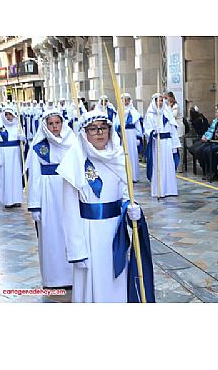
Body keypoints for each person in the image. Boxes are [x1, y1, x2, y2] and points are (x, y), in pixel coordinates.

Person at [56, 109, 154, 303]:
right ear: (85, 133)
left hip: (115, 233)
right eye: (93, 129)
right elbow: (69, 211)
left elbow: (126, 195)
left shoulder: (119, 158)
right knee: (94, 282)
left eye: (103, 128)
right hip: (89, 234)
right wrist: (77, 250)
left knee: (115, 280)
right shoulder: (75, 163)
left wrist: (132, 210)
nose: (99, 133)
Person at [26, 109, 76, 288]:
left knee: (70, 233)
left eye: (57, 123)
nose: (55, 127)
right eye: (51, 123)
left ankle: (73, 276)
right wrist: (35, 205)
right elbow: (35, 178)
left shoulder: (73, 142)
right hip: (49, 195)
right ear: (45, 125)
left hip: (69, 191)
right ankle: (54, 278)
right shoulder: (39, 146)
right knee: (51, 235)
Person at [144, 93, 181, 198]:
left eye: (161, 100)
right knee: (159, 165)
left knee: (168, 165)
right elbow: (147, 129)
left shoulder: (167, 113)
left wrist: (175, 145)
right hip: (157, 143)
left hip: (167, 143)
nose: (159, 103)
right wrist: (153, 133)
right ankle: (159, 190)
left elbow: (173, 130)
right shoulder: (150, 115)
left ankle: (170, 189)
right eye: (157, 101)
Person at [0, 107, 24, 208]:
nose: (8, 117)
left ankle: (17, 199)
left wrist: (22, 138)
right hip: (4, 155)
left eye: (10, 114)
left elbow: (23, 140)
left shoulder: (17, 126)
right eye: (6, 115)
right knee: (5, 176)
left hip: (15, 155)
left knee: (16, 176)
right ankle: (7, 200)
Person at [114, 93, 143, 182]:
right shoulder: (119, 112)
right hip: (124, 136)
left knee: (133, 156)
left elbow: (138, 126)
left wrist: (138, 137)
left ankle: (133, 176)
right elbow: (116, 125)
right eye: (124, 100)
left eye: (127, 100)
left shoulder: (134, 113)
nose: (126, 102)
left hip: (132, 136)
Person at [165, 92, 185, 172]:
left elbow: (172, 116)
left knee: (180, 148)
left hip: (178, 128)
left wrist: (168, 107)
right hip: (172, 129)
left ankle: (180, 166)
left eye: (167, 98)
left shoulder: (175, 106)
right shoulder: (167, 106)